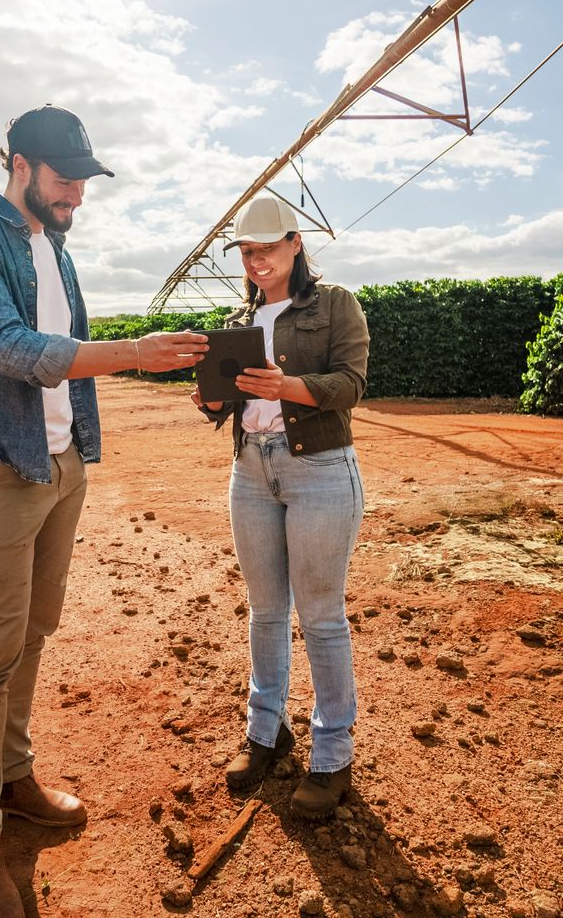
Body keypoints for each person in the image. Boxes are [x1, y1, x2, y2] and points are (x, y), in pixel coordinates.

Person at [0, 104, 208, 918]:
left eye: (83, 184)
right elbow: (13, 349)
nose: (75, 197)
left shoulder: (58, 249)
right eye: (64, 181)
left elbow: (65, 348)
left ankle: (12, 780)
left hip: (58, 466)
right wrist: (136, 354)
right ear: (18, 166)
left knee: (33, 634)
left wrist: (83, 439)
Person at [192, 193, 368, 820]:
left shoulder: (336, 305)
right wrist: (214, 403)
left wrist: (287, 387)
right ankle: (265, 733)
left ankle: (332, 754)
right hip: (251, 469)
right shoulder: (238, 323)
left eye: (267, 249)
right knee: (265, 611)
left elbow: (351, 384)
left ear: (296, 244)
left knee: (321, 616)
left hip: (319, 468)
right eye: (246, 251)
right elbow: (229, 404)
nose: (256, 261)